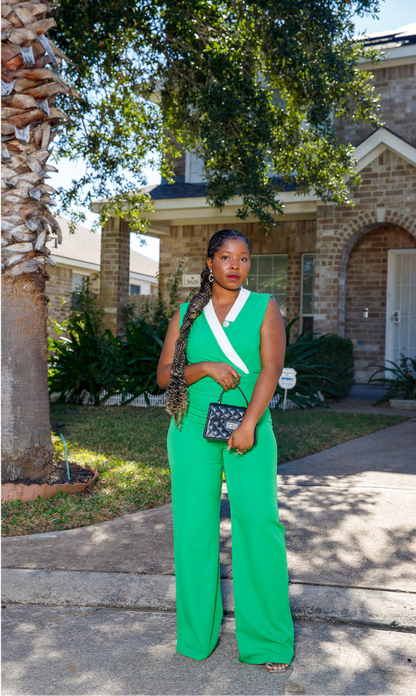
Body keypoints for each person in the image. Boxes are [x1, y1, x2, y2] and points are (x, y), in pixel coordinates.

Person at [157, 229, 294, 673]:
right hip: (191, 429)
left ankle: (268, 641)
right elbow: (164, 376)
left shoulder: (263, 307)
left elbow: (272, 368)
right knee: (193, 532)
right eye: (226, 257)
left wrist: (251, 422)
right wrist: (203, 367)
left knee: (258, 526)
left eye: (244, 258)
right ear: (210, 262)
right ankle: (197, 636)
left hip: (249, 426)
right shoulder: (186, 312)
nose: (235, 266)